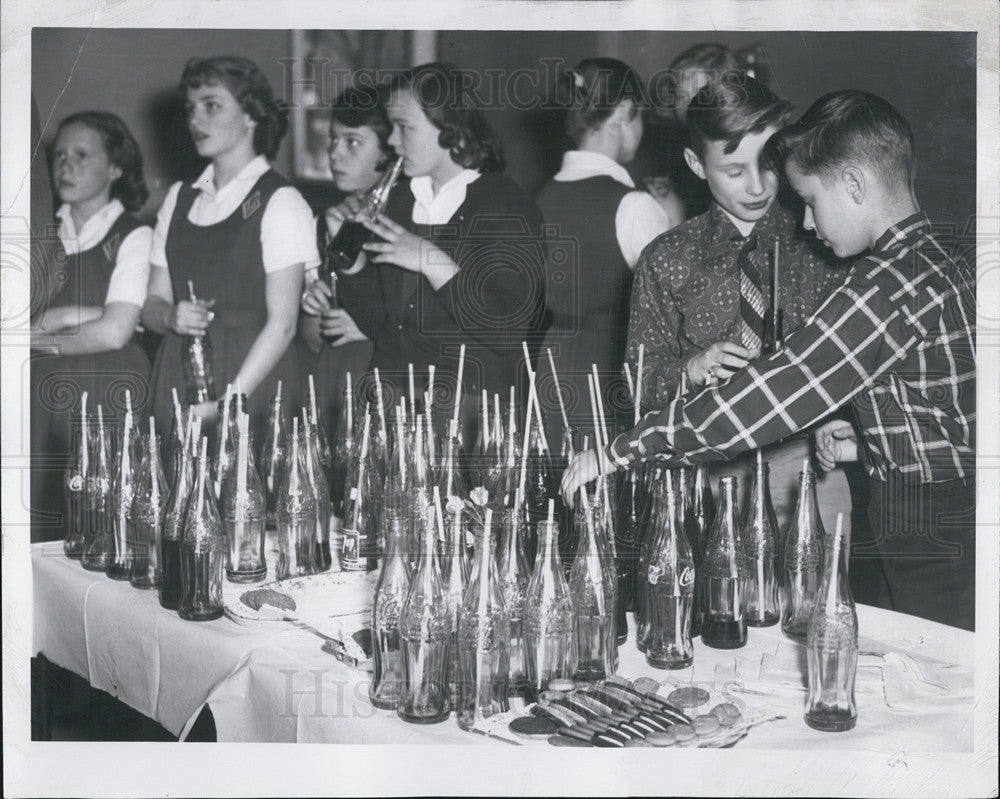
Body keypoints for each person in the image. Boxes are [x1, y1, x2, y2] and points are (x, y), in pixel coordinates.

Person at [562, 90, 976, 632]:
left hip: (929, 525)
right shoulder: (945, 261)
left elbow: (770, 395)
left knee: (941, 683)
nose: (805, 221)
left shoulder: (883, 288)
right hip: (959, 508)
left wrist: (621, 451)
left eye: (809, 199)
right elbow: (951, 405)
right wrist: (872, 440)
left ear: (853, 185)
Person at [625, 73, 852, 535]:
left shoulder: (822, 240)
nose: (757, 187)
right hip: (704, 477)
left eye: (769, 165)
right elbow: (635, 383)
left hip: (810, 468)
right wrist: (690, 368)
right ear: (694, 162)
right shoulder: (666, 259)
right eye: (734, 171)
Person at [335, 62, 545, 441]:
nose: (393, 143)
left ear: (448, 126)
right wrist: (351, 260)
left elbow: (507, 331)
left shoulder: (504, 204)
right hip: (390, 402)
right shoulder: (397, 201)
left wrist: (430, 261)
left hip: (467, 412)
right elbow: (379, 325)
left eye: (404, 128)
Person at [141, 56, 319, 443]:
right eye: (191, 108)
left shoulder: (280, 200)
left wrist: (227, 403)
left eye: (212, 105)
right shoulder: (178, 198)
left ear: (251, 114)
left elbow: (284, 324)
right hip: (177, 376)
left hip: (251, 385)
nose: (195, 120)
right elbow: (151, 305)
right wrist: (170, 316)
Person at [535, 58, 679, 450]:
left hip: (551, 363)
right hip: (611, 371)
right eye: (640, 117)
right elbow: (670, 312)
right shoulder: (632, 204)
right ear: (623, 113)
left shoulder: (541, 197)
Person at [30, 111, 153, 540]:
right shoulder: (37, 232)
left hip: (108, 387)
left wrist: (35, 330)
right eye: (60, 154)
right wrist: (75, 317)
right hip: (39, 395)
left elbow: (114, 332)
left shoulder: (135, 235)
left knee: (103, 523)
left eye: (82, 155)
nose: (65, 165)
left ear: (116, 167)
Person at [299, 84, 391, 437]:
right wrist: (313, 306)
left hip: (382, 380)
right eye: (333, 140)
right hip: (334, 379)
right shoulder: (327, 220)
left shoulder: (404, 220)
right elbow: (311, 340)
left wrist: (366, 327)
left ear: (390, 148)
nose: (335, 154)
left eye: (352, 142)